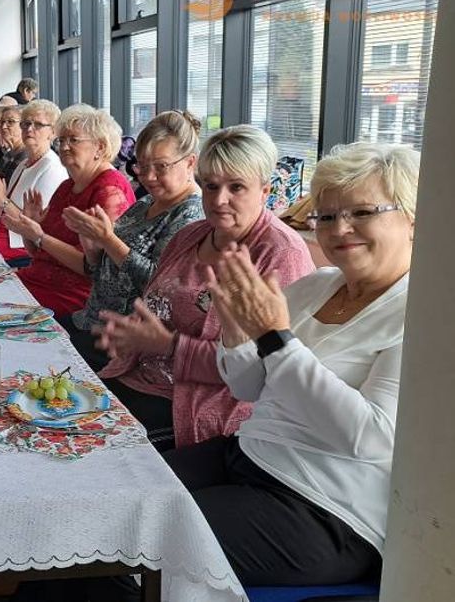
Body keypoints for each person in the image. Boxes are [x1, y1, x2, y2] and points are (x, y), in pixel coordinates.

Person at [171, 142, 417, 588]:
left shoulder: (423, 316)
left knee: (148, 538)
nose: (340, 228)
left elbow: (372, 437)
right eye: (326, 216)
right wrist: (236, 331)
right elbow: (249, 387)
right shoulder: (318, 286)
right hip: (250, 453)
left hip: (323, 507)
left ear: (413, 219)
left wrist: (277, 339)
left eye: (362, 212)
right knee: (122, 495)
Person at [96, 124, 314, 450]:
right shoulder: (191, 235)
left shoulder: (281, 254)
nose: (219, 200)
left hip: (198, 405)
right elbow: (156, 307)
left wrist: (169, 345)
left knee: (89, 447)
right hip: (139, 378)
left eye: (236, 187)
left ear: (265, 191)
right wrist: (131, 335)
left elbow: (261, 369)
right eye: (211, 186)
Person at [60, 110, 206, 371]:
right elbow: (103, 272)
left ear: (190, 163)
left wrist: (108, 239)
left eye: (160, 167)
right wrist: (93, 245)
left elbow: (157, 285)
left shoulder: (192, 215)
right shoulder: (147, 203)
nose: (148, 177)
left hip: (123, 343)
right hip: (90, 321)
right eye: (142, 166)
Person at [0, 104, 136, 315]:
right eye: (61, 140)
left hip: (72, 297)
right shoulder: (66, 186)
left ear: (100, 147)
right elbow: (37, 252)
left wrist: (40, 235)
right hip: (37, 281)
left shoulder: (110, 190)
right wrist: (32, 231)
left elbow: (92, 268)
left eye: (73, 140)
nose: (63, 147)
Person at [0, 99, 66, 264]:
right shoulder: (23, 165)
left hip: (21, 245)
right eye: (25, 124)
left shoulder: (53, 168)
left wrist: (1, 199)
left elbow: (36, 227)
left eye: (38, 124)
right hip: (4, 234)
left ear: (53, 132)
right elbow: (1, 217)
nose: (29, 129)